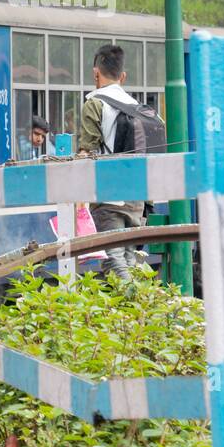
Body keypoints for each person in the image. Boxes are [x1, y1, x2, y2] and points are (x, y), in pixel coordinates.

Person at [78, 44, 154, 280]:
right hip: (137, 197)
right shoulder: (136, 107)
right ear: (123, 76)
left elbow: (86, 153)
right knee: (128, 263)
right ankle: (135, 313)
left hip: (109, 197)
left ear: (95, 73)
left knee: (114, 265)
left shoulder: (95, 104)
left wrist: (77, 197)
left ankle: (133, 310)